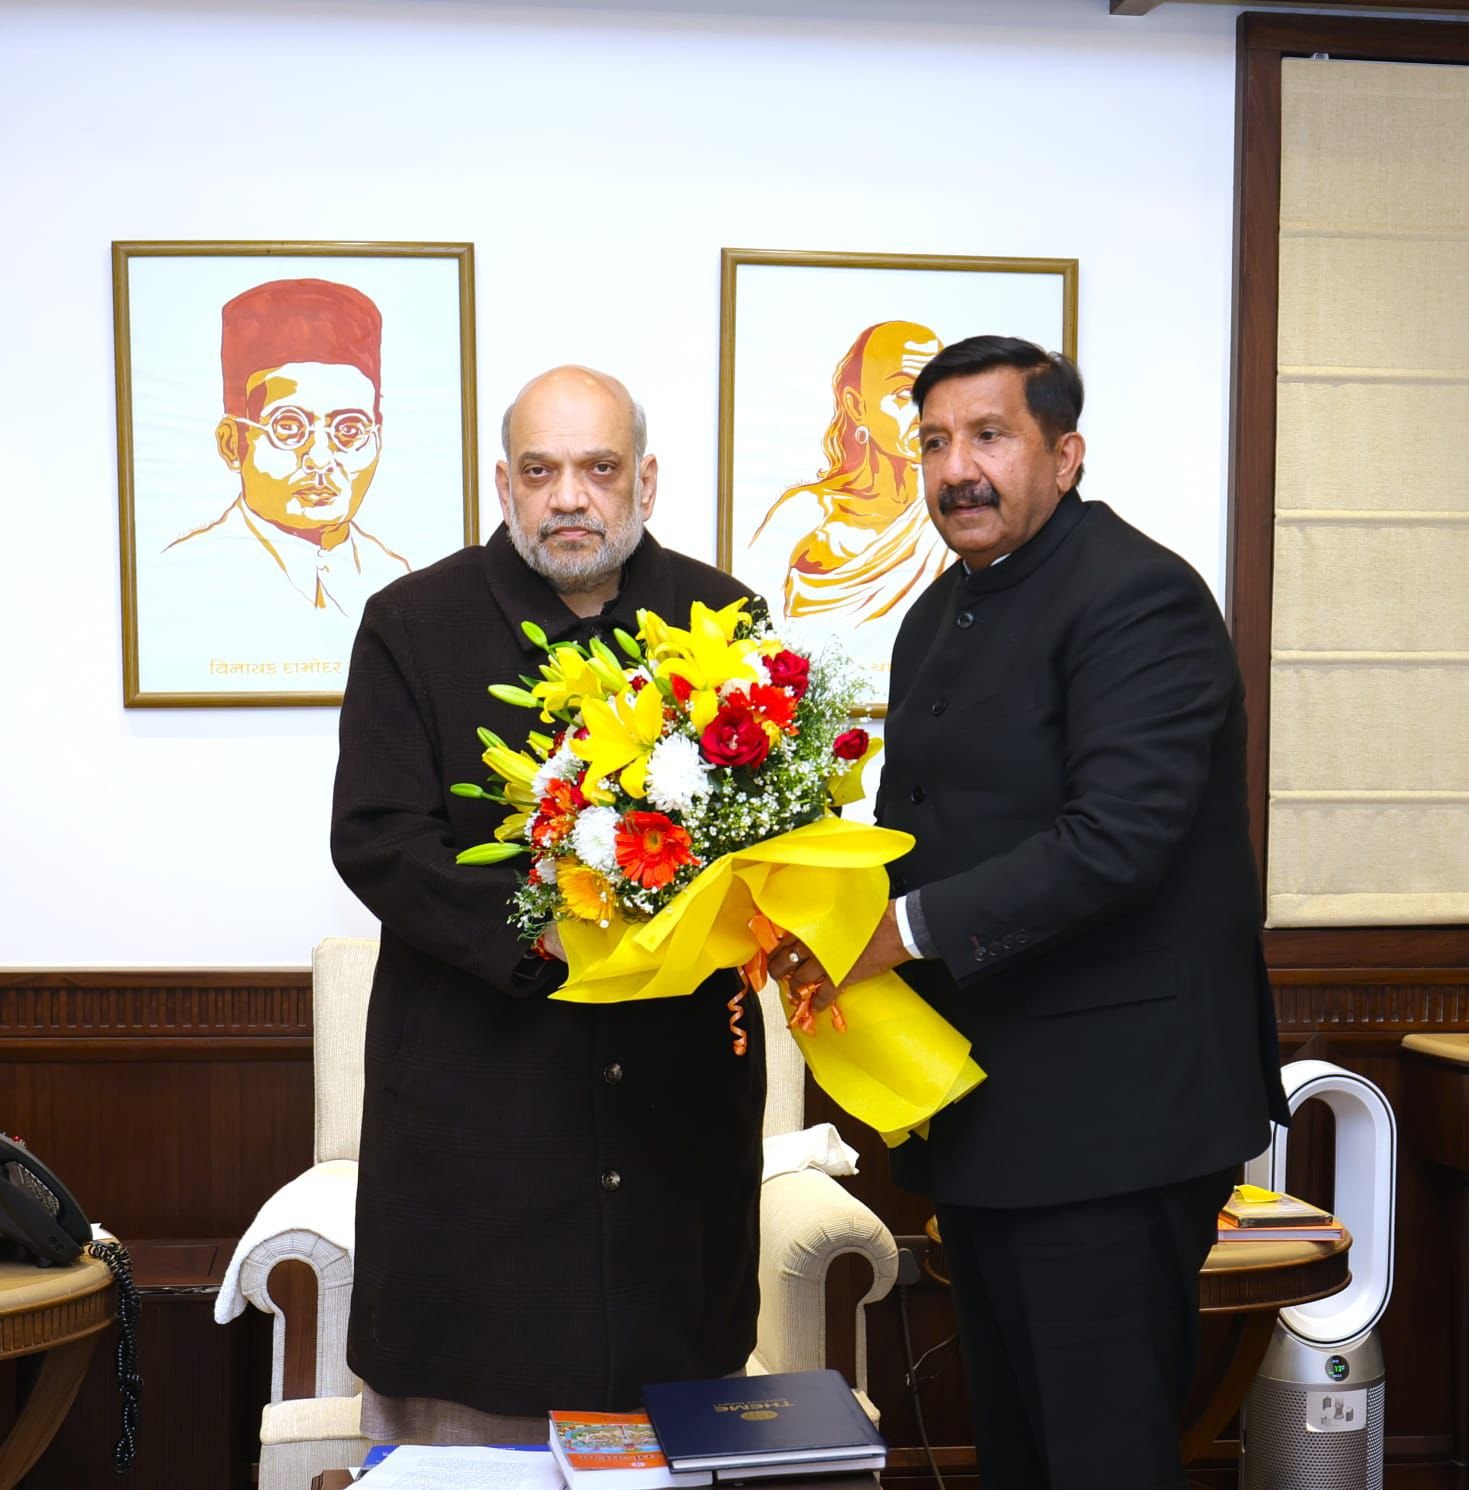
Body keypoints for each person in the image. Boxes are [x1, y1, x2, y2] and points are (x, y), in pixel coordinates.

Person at [774, 336, 1289, 1490]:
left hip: (1114, 1119)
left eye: (988, 436)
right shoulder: (935, 614)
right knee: (1016, 1451)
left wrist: (891, 934)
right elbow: (920, 833)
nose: (956, 468)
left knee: (1100, 1456)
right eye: (933, 442)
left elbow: (1116, 839)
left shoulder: (1136, 595)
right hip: (986, 1107)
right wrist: (800, 908)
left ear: (1064, 454)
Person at [330, 365, 765, 1443]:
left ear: (644, 481)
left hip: (675, 1096)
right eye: (540, 471)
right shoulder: (410, 623)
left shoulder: (723, 616)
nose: (569, 496)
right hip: (478, 1102)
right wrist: (554, 937)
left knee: (676, 1380)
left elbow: (771, 832)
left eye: (598, 468)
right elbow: (377, 837)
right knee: (475, 1402)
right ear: (503, 484)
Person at [166, 277, 409, 619]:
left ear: (377, 441)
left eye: (349, 429)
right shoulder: (186, 576)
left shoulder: (398, 578)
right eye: (289, 427)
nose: (320, 460)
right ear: (232, 443)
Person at [749, 320, 949, 626]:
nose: (923, 414)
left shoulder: (953, 519)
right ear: (856, 407)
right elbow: (747, 631)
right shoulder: (807, 512)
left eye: (934, 392)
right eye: (904, 393)